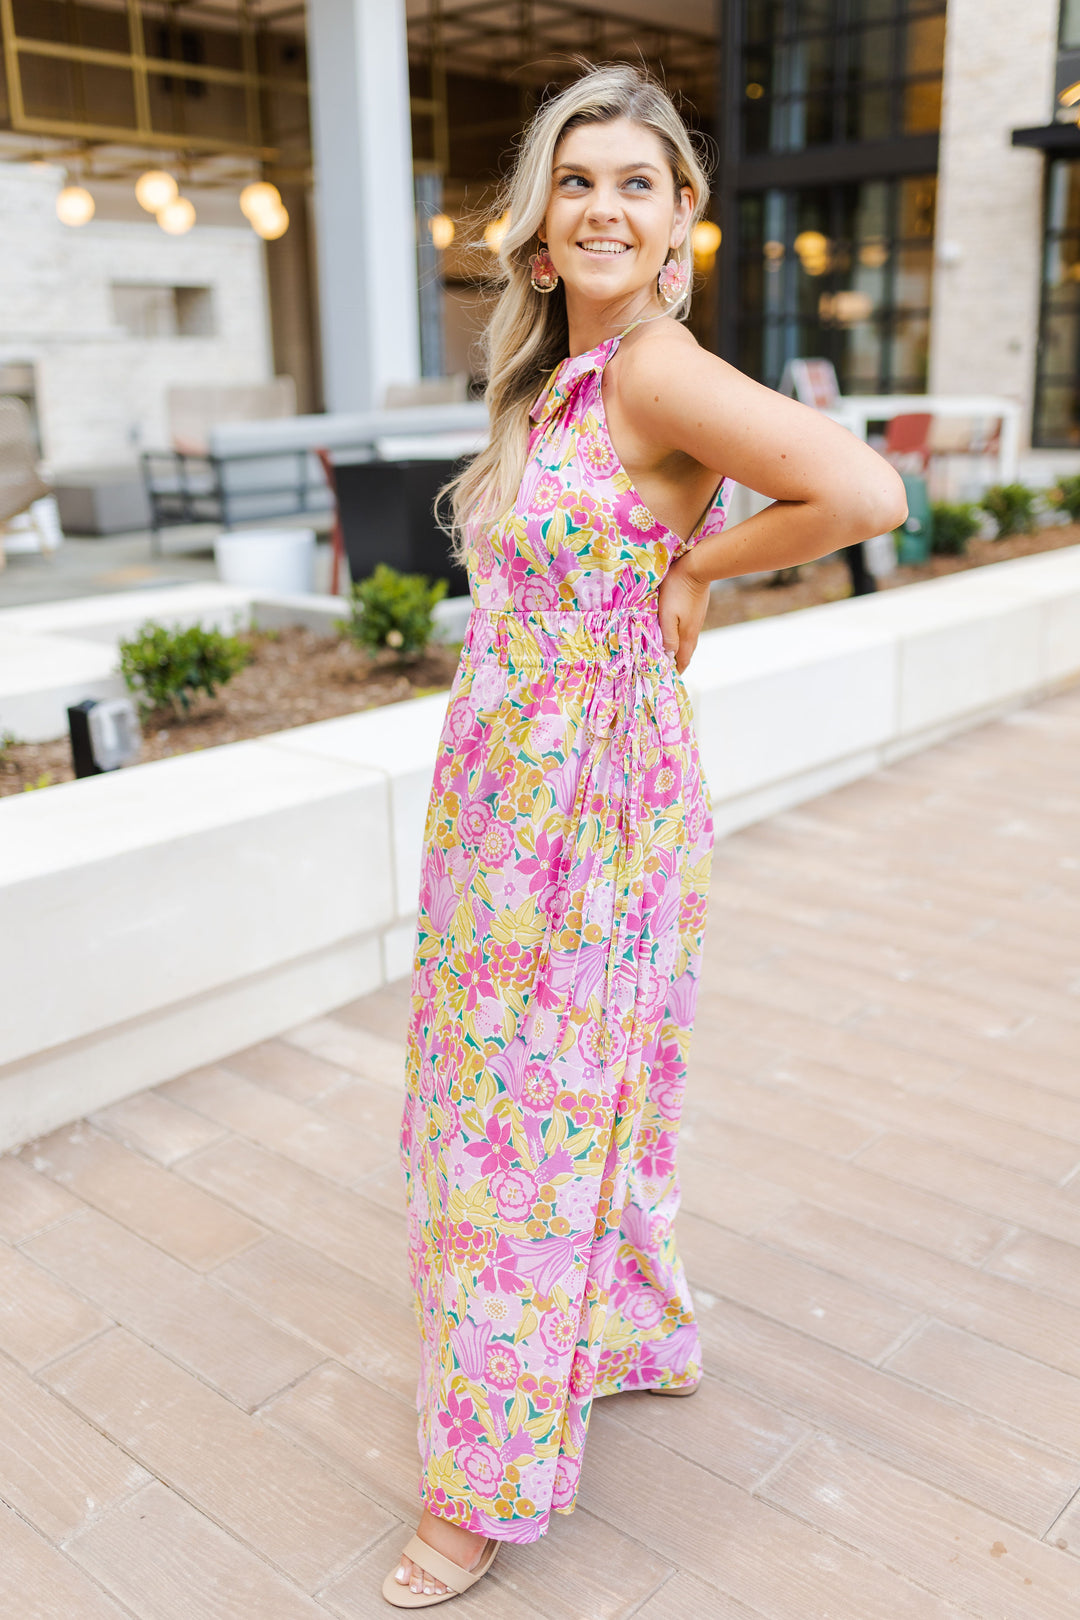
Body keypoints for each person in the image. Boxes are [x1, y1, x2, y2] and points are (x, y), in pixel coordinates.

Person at [386, 62, 906, 1608]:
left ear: (684, 217)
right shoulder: (562, 375)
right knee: (548, 1097)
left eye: (637, 183)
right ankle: (626, 1333)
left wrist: (697, 570)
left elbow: (862, 488)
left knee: (518, 1128)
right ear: (540, 225)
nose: (604, 207)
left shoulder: (657, 372)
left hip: (587, 812)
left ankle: (478, 1486)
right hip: (508, 791)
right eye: (578, 180)